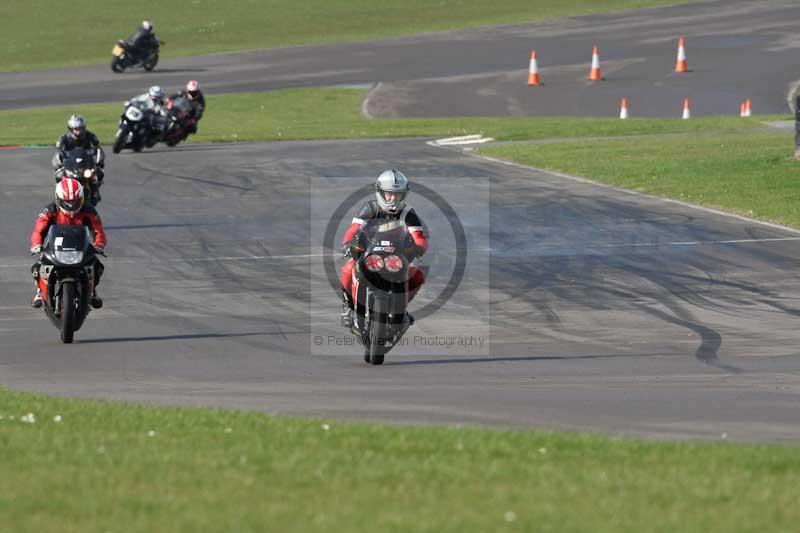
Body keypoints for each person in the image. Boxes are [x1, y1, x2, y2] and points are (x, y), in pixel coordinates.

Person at [339, 169, 428, 329]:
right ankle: (349, 306)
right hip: (369, 253)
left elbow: (418, 236)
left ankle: (399, 309)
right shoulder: (370, 208)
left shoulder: (408, 213)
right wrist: (347, 243)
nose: (393, 198)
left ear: (404, 195)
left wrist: (419, 247)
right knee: (348, 269)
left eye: (397, 195)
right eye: (389, 194)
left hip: (396, 257)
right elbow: (354, 229)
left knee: (417, 276)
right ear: (380, 193)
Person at [30, 178, 106, 309]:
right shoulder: (49, 210)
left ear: (81, 198)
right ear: (58, 199)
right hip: (55, 245)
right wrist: (36, 244)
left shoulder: (89, 211)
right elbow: (39, 230)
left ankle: (93, 291)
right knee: (36, 268)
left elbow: (98, 230)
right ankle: (39, 291)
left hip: (80, 245)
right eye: (67, 202)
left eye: (75, 202)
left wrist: (99, 244)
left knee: (97, 267)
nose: (71, 206)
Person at [52, 115, 105, 181]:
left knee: (99, 174)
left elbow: (98, 150)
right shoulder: (63, 138)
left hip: (87, 164)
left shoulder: (91, 136)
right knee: (59, 176)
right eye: (76, 129)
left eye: (80, 129)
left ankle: (94, 186)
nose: (78, 131)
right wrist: (59, 165)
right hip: (70, 165)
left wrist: (99, 162)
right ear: (71, 129)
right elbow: (58, 152)